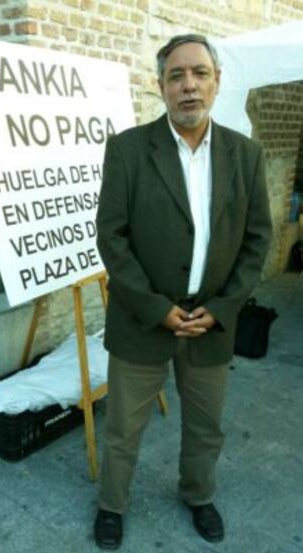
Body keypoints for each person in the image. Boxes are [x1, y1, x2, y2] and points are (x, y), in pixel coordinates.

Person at [94, 33, 272, 550]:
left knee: (206, 426)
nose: (188, 85)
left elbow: (258, 239)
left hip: (211, 325)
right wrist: (155, 307)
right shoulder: (127, 150)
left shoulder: (247, 155)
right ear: (161, 87)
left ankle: (198, 494)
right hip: (142, 321)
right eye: (176, 75)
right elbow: (112, 236)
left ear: (217, 82)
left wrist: (221, 309)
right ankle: (112, 504)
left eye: (199, 73)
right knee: (124, 429)